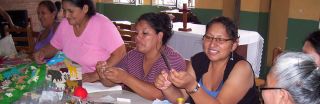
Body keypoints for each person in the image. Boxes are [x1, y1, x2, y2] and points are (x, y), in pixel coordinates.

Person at [155, 16, 260, 104]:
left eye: (220, 39)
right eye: (208, 37)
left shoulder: (242, 68)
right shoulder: (197, 61)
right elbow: (181, 97)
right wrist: (166, 87)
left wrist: (192, 86)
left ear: (233, 45)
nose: (212, 44)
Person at [96, 12, 186, 100]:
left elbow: (159, 95)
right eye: (137, 33)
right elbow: (112, 81)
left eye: (144, 33)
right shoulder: (133, 55)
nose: (137, 37)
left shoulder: (172, 59)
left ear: (159, 36)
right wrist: (104, 75)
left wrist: (125, 78)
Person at [33, 0, 126, 82]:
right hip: (73, 80)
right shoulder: (65, 24)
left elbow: (120, 52)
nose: (66, 15)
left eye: (70, 11)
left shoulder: (102, 23)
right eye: (64, 10)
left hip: (101, 84)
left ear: (85, 8)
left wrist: (95, 75)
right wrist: (42, 52)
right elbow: (54, 46)